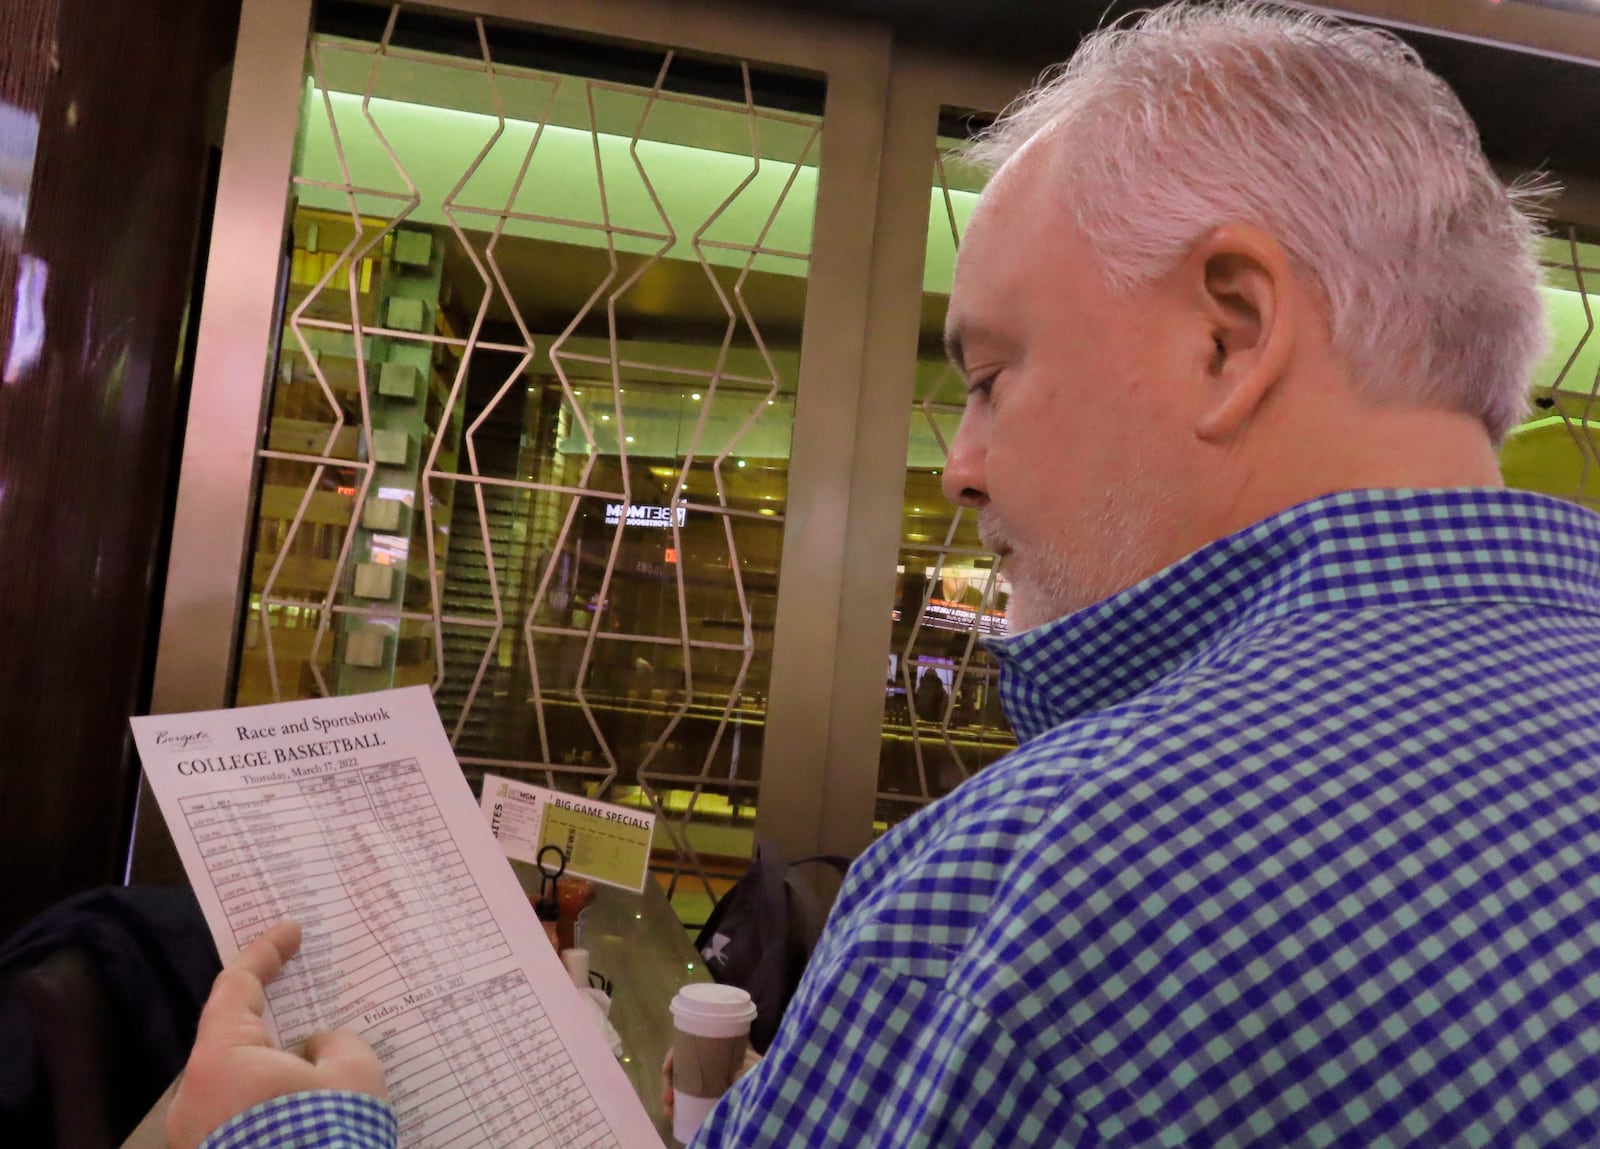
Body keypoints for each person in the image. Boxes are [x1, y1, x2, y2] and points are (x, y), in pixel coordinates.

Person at [169, 3, 1600, 1145]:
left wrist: (286, 1136)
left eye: (989, 375)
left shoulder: (1032, 886)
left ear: (1228, 331)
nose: (963, 464)